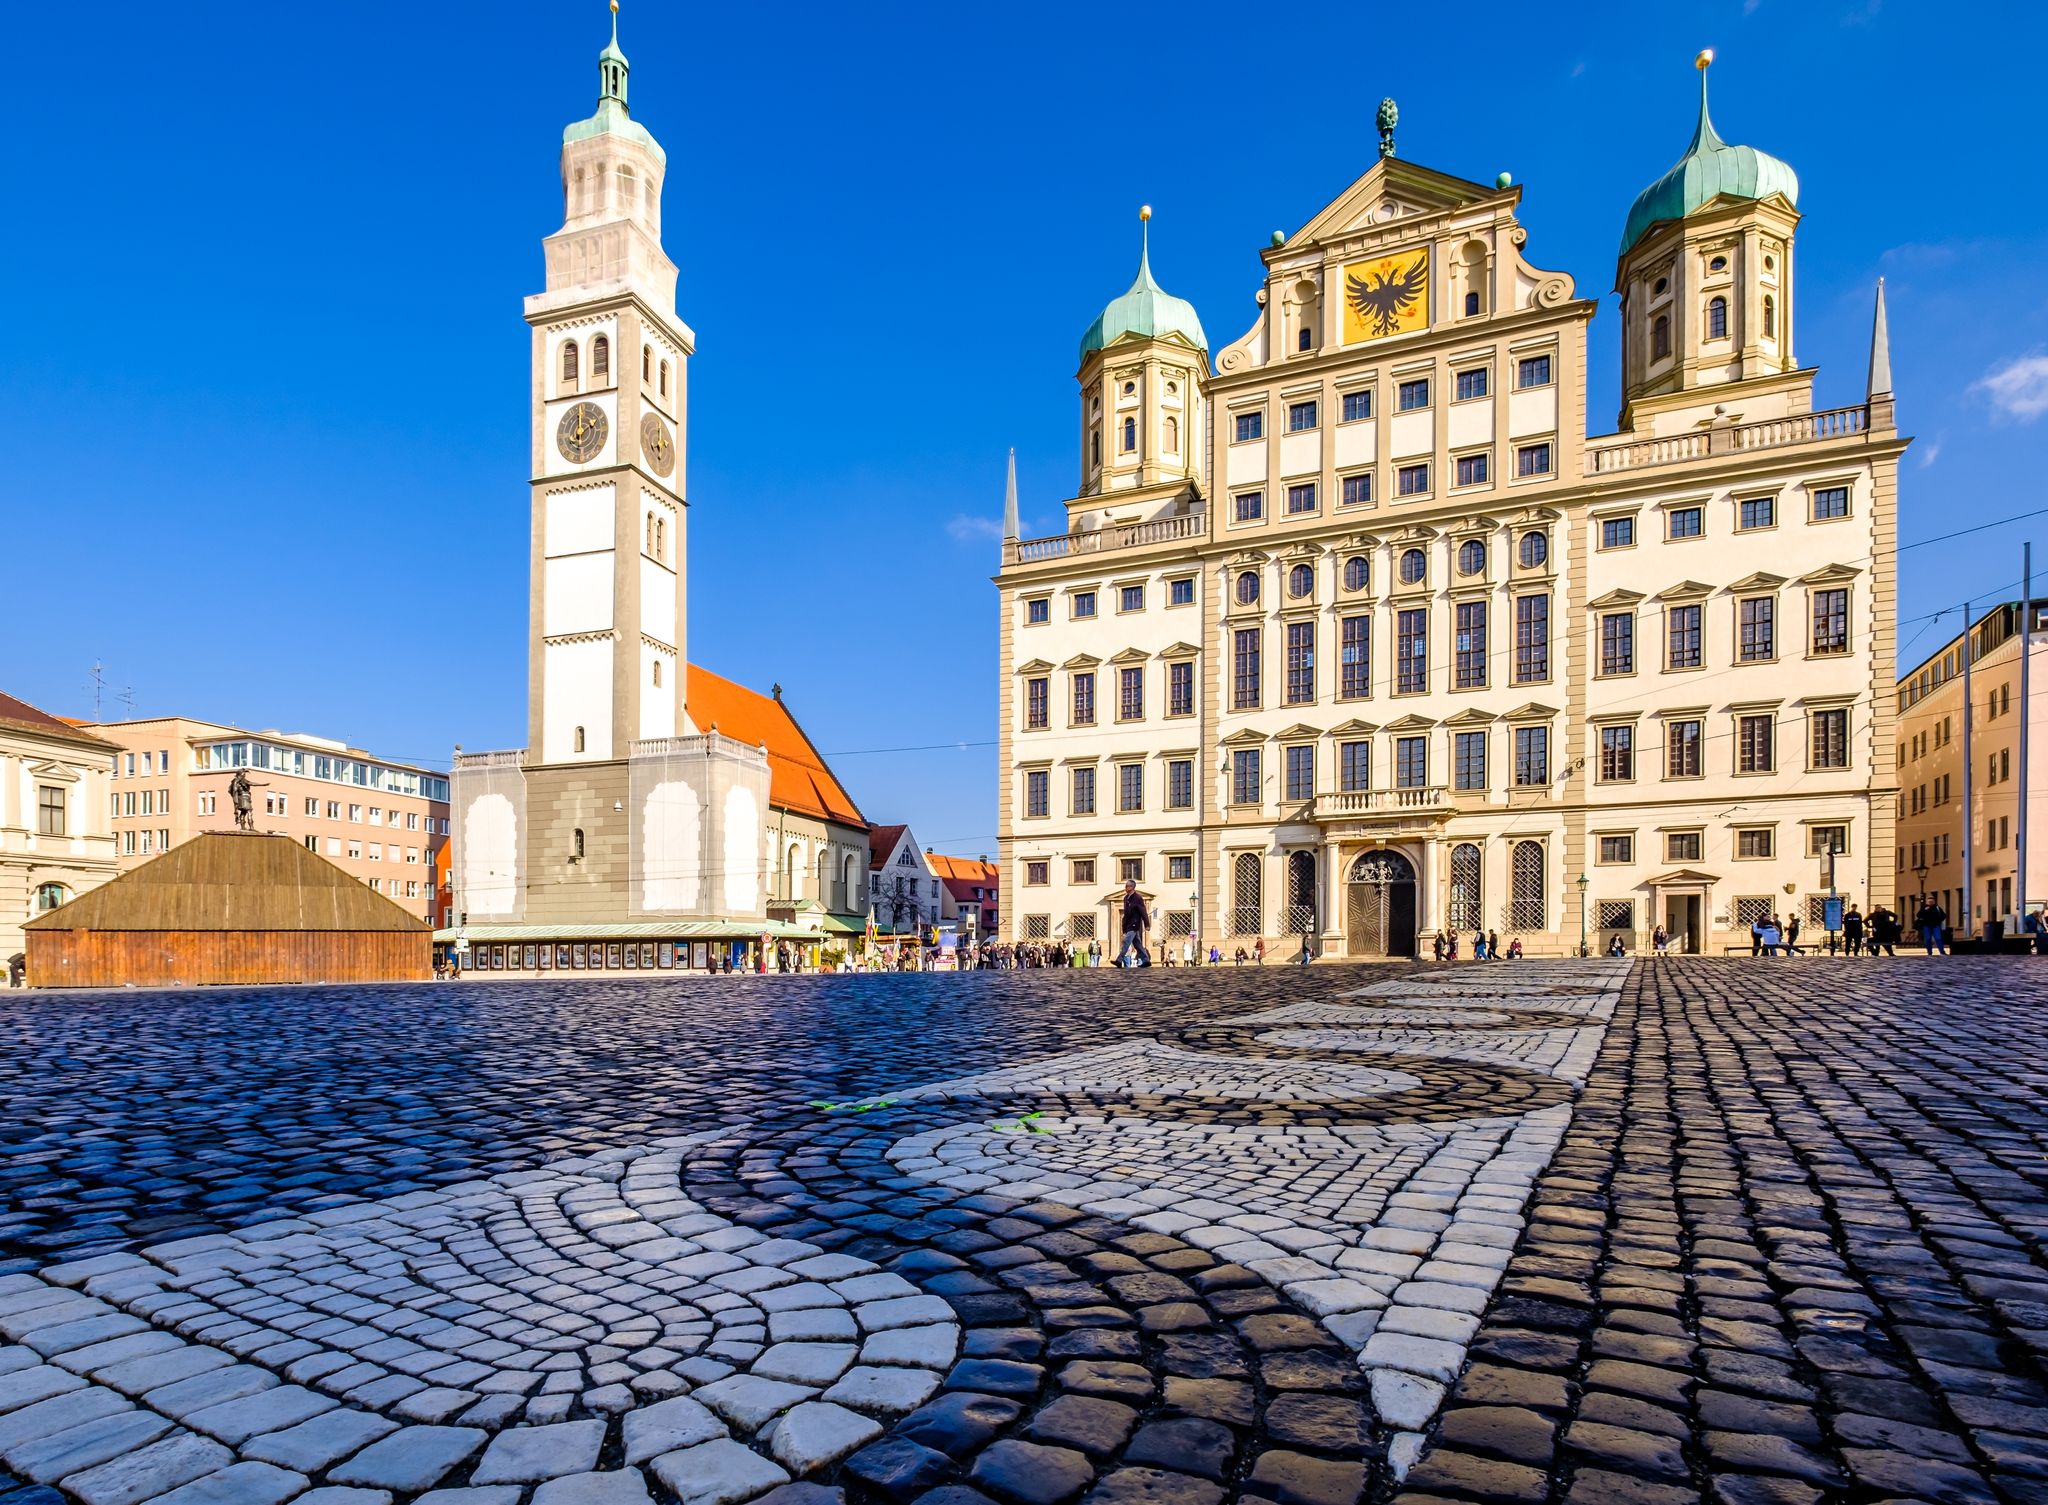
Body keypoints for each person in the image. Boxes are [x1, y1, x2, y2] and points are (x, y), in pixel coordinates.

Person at [1116, 881, 1151, 968]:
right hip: (1128, 924)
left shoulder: (1137, 898)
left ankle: (1119, 960)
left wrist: (1147, 924)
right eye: (1125, 886)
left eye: (1127, 886)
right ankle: (1146, 960)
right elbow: (1126, 913)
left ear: (1132, 887)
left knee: (1126, 942)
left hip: (1134, 924)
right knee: (1137, 944)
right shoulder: (1126, 898)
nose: (1125, 887)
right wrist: (1123, 926)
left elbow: (1143, 911)